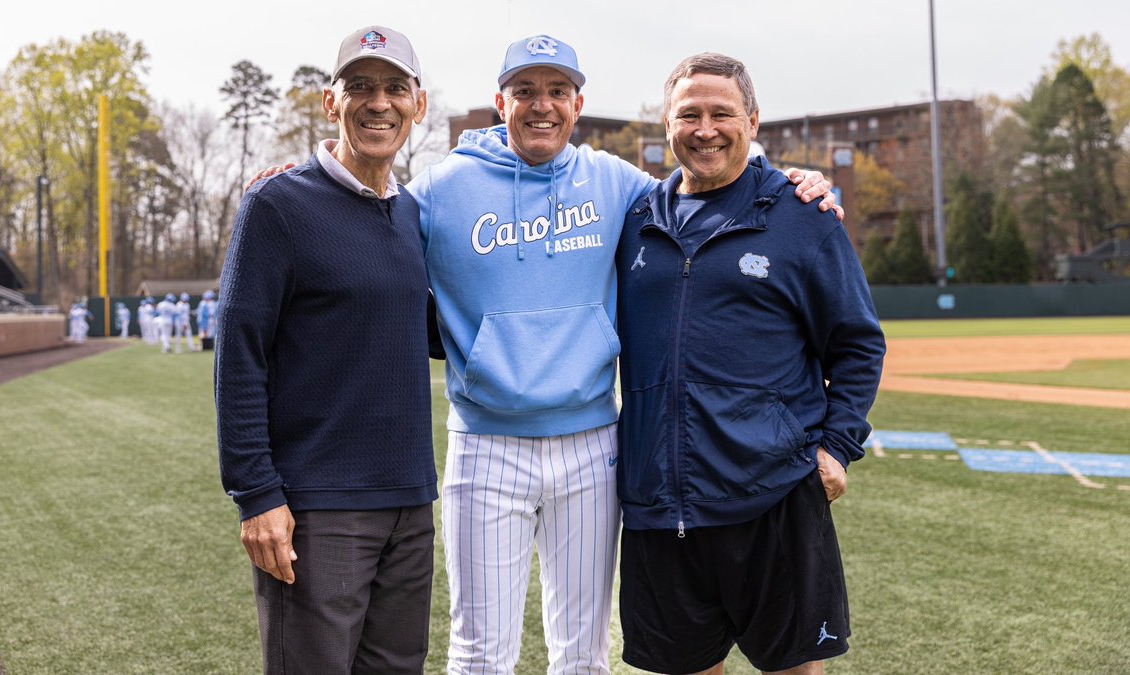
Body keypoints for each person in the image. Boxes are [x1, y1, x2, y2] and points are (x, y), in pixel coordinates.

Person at [248, 34, 839, 673]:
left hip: (591, 444)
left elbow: (704, 178)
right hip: (486, 445)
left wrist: (787, 178)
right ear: (499, 102)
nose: (541, 106)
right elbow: (366, 211)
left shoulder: (615, 183)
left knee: (583, 653)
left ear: (577, 103)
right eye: (525, 91)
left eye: (557, 91)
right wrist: (306, 177)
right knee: (479, 651)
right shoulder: (442, 189)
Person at [613, 53, 886, 675]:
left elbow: (857, 341)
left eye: (721, 113)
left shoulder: (800, 216)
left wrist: (836, 447)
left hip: (774, 496)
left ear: (753, 121)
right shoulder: (634, 221)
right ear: (667, 125)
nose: (705, 128)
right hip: (659, 500)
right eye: (689, 114)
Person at [216, 25, 438, 674]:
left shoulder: (413, 216)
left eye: (395, 88)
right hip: (319, 508)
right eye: (360, 87)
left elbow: (427, 332)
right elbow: (239, 357)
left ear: (417, 105)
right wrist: (256, 494)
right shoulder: (277, 205)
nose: (379, 103)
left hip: (409, 504)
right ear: (329, 102)